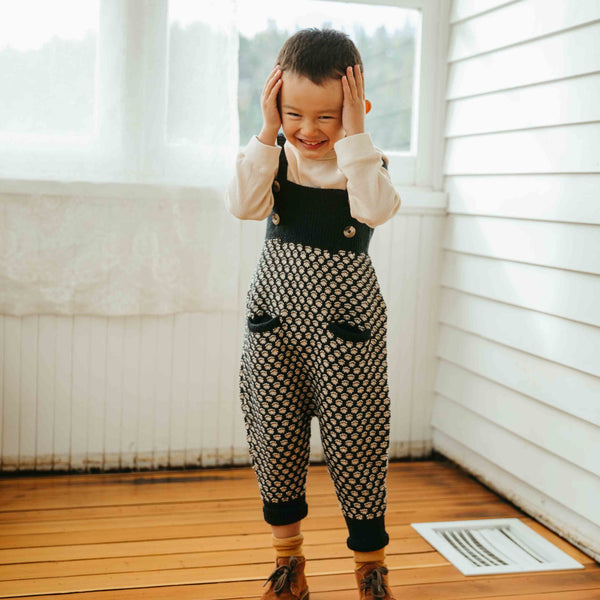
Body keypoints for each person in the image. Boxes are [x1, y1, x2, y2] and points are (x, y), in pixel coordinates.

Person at [225, 27, 401, 600]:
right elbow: (243, 206)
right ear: (276, 106)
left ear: (355, 111)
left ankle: (369, 570)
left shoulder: (363, 164)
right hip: (274, 329)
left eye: (327, 117)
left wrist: (355, 138)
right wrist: (265, 133)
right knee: (274, 438)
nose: (308, 130)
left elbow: (376, 209)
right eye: (293, 113)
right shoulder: (274, 158)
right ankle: (287, 563)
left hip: (345, 332)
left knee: (358, 440)